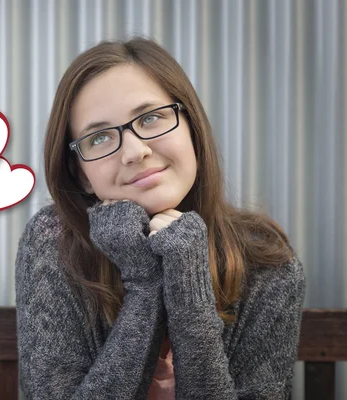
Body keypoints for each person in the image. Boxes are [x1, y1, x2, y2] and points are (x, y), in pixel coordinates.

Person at [15, 37, 305, 399]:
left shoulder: (267, 264)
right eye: (100, 138)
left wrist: (189, 287)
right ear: (81, 173)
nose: (136, 151)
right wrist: (144, 283)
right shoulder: (53, 242)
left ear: (191, 127)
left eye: (151, 118)